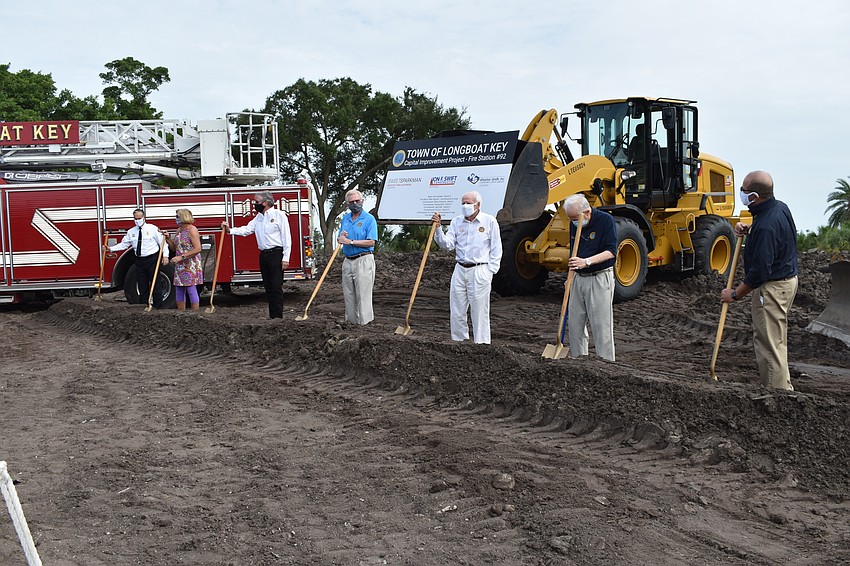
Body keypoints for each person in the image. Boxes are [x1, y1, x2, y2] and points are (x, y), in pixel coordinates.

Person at [721, 171, 798, 390]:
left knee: (768, 344)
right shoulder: (779, 208)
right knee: (776, 340)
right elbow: (774, 235)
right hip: (787, 282)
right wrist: (749, 230)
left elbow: (759, 273)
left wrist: (734, 294)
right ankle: (783, 387)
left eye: (744, 190)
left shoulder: (765, 226)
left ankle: (776, 394)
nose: (742, 194)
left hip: (773, 288)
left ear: (754, 195)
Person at [431, 191, 502, 344]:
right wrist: (438, 228)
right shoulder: (456, 222)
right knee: (457, 308)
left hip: (480, 269)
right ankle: (459, 342)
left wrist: (490, 271)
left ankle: (481, 344)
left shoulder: (489, 221)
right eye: (463, 202)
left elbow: (496, 248)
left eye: (469, 203)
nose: (465, 206)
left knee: (479, 310)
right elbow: (447, 244)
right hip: (460, 268)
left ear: (478, 205)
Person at [221, 191, 291, 319]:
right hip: (264, 255)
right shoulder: (258, 217)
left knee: (276, 286)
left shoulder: (279, 215)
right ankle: (272, 315)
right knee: (268, 287)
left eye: (257, 202)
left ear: (265, 203)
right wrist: (230, 230)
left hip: (276, 253)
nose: (254, 204)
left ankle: (278, 316)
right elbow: (247, 229)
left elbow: (286, 237)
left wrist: (285, 258)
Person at [564, 194, 618, 361]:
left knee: (601, 326)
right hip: (578, 278)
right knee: (575, 325)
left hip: (599, 277)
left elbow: (611, 252)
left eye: (574, 218)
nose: (573, 222)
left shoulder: (606, 221)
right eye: (570, 219)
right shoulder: (574, 223)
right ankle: (579, 361)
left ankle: (607, 364)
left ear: (587, 212)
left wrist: (586, 262)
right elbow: (575, 250)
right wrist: (570, 277)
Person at [104, 208, 169, 307]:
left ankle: (158, 306)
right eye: (135, 218)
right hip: (139, 260)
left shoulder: (152, 229)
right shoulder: (131, 232)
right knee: (142, 284)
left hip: (152, 259)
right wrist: (111, 248)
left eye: (139, 218)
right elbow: (124, 245)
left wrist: (165, 256)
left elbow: (162, 243)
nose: (137, 220)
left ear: (144, 217)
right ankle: (144, 305)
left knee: (156, 283)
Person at [337, 189, 377, 325]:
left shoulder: (369, 219)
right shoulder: (345, 219)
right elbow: (340, 238)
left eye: (357, 201)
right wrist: (341, 238)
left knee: (363, 295)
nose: (355, 204)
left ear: (362, 201)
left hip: (363, 259)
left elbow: (371, 242)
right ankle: (351, 324)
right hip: (348, 260)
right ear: (347, 204)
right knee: (348, 294)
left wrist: (351, 242)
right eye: (351, 202)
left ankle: (364, 325)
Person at [165, 208, 203, 312]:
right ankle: (181, 312)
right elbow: (175, 248)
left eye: (177, 216)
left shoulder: (192, 230)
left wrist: (181, 257)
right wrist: (168, 239)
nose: (176, 219)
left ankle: (195, 313)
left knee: (191, 288)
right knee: (179, 288)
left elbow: (198, 248)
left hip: (190, 263)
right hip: (180, 264)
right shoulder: (179, 230)